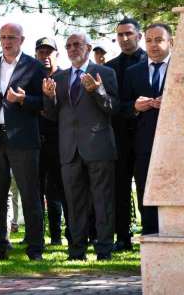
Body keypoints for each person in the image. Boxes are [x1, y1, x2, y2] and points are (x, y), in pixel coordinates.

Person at [42, 32, 118, 261]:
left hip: (98, 146)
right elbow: (54, 115)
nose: (73, 49)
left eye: (77, 45)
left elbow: (113, 108)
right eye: (69, 46)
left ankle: (104, 250)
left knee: (102, 201)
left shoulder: (105, 73)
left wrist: (97, 91)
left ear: (88, 47)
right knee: (74, 203)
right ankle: (77, 250)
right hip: (69, 150)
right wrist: (49, 97)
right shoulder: (62, 77)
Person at [0, 23, 46, 261]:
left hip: (23, 138)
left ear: (22, 40)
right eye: (3, 37)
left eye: (12, 38)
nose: (7, 42)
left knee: (30, 194)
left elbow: (43, 104)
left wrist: (24, 99)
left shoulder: (34, 67)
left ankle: (35, 249)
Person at [122, 23, 173, 235]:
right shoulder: (133, 72)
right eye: (149, 40)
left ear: (171, 42)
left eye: (159, 40)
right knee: (146, 191)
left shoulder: (179, 70)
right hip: (143, 145)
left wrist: (173, 103)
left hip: (175, 145)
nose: (153, 45)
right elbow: (121, 107)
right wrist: (134, 106)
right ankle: (151, 237)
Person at [105, 18, 147, 252]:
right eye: (120, 35)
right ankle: (122, 237)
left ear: (138, 36)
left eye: (128, 34)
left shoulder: (151, 62)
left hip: (146, 136)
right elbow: (110, 103)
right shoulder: (110, 67)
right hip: (119, 136)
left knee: (145, 188)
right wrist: (131, 107)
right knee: (119, 189)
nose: (124, 38)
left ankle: (151, 233)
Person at [35, 37, 69, 245]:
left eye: (49, 52)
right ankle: (41, 236)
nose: (45, 56)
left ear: (57, 53)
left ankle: (65, 235)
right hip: (36, 141)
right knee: (37, 190)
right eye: (41, 52)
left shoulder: (65, 76)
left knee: (59, 190)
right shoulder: (31, 77)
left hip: (60, 141)